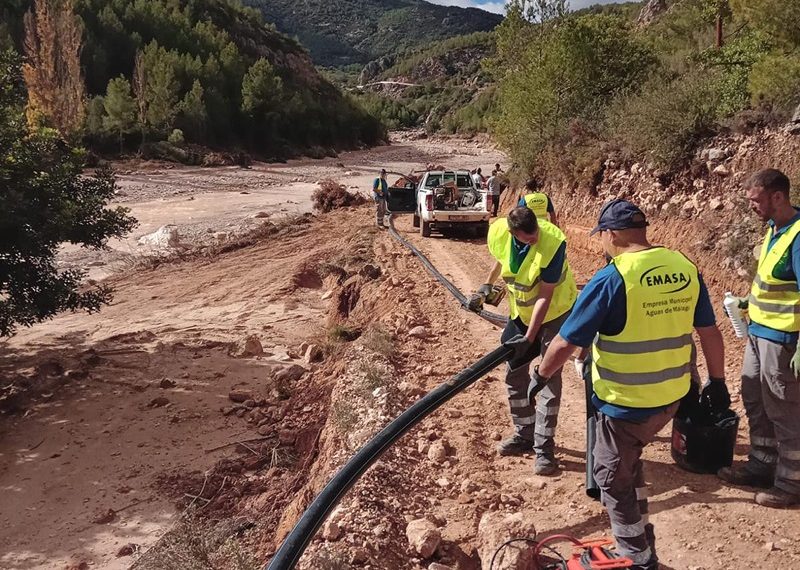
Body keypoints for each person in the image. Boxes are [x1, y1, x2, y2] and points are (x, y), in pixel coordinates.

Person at [532, 199, 727, 569]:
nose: (602, 242)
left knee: (610, 476)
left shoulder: (613, 278)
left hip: (625, 402)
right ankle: (641, 535)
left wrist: (540, 375)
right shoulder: (683, 265)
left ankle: (635, 556)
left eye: (602, 235)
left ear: (612, 234)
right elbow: (709, 331)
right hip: (670, 396)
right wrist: (717, 381)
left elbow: (564, 343)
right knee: (630, 463)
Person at [468, 207, 578, 475]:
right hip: (521, 313)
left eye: (534, 236)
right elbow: (500, 260)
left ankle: (544, 449)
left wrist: (530, 337)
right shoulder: (498, 233)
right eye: (526, 239)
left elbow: (545, 295)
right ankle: (525, 433)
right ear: (512, 232)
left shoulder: (553, 243)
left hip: (556, 313)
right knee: (513, 374)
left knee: (548, 376)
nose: (533, 240)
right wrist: (484, 289)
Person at [718, 168, 800, 508]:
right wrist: (747, 303)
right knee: (754, 397)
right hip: (758, 331)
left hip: (782, 339)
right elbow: (775, 283)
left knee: (784, 409)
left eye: (756, 200)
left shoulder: (797, 236)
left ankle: (791, 483)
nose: (752, 206)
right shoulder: (773, 230)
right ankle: (762, 464)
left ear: (777, 197)